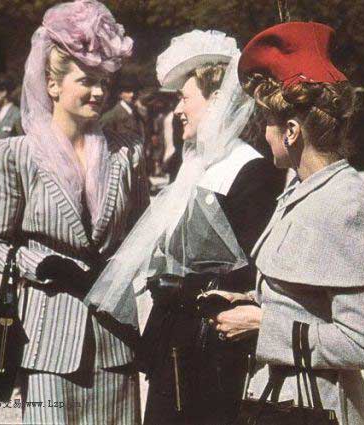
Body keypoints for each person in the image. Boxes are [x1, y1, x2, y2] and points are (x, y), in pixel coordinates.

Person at [84, 29, 284, 425]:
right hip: (173, 337)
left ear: (217, 102)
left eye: (185, 98)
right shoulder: (191, 166)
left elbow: (251, 269)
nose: (177, 109)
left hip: (212, 345)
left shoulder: (250, 170)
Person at [207, 22, 364, 425]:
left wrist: (262, 324)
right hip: (278, 400)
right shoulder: (301, 188)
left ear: (291, 131)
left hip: (314, 408)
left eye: (268, 125)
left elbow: (362, 343)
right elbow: (306, 300)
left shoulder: (347, 204)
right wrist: (250, 303)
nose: (264, 136)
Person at [0, 1, 147, 423]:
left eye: (104, 81)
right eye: (87, 81)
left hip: (115, 339)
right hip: (49, 342)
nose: (100, 92)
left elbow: (143, 235)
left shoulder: (129, 153)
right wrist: (43, 264)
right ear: (52, 84)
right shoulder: (17, 155)